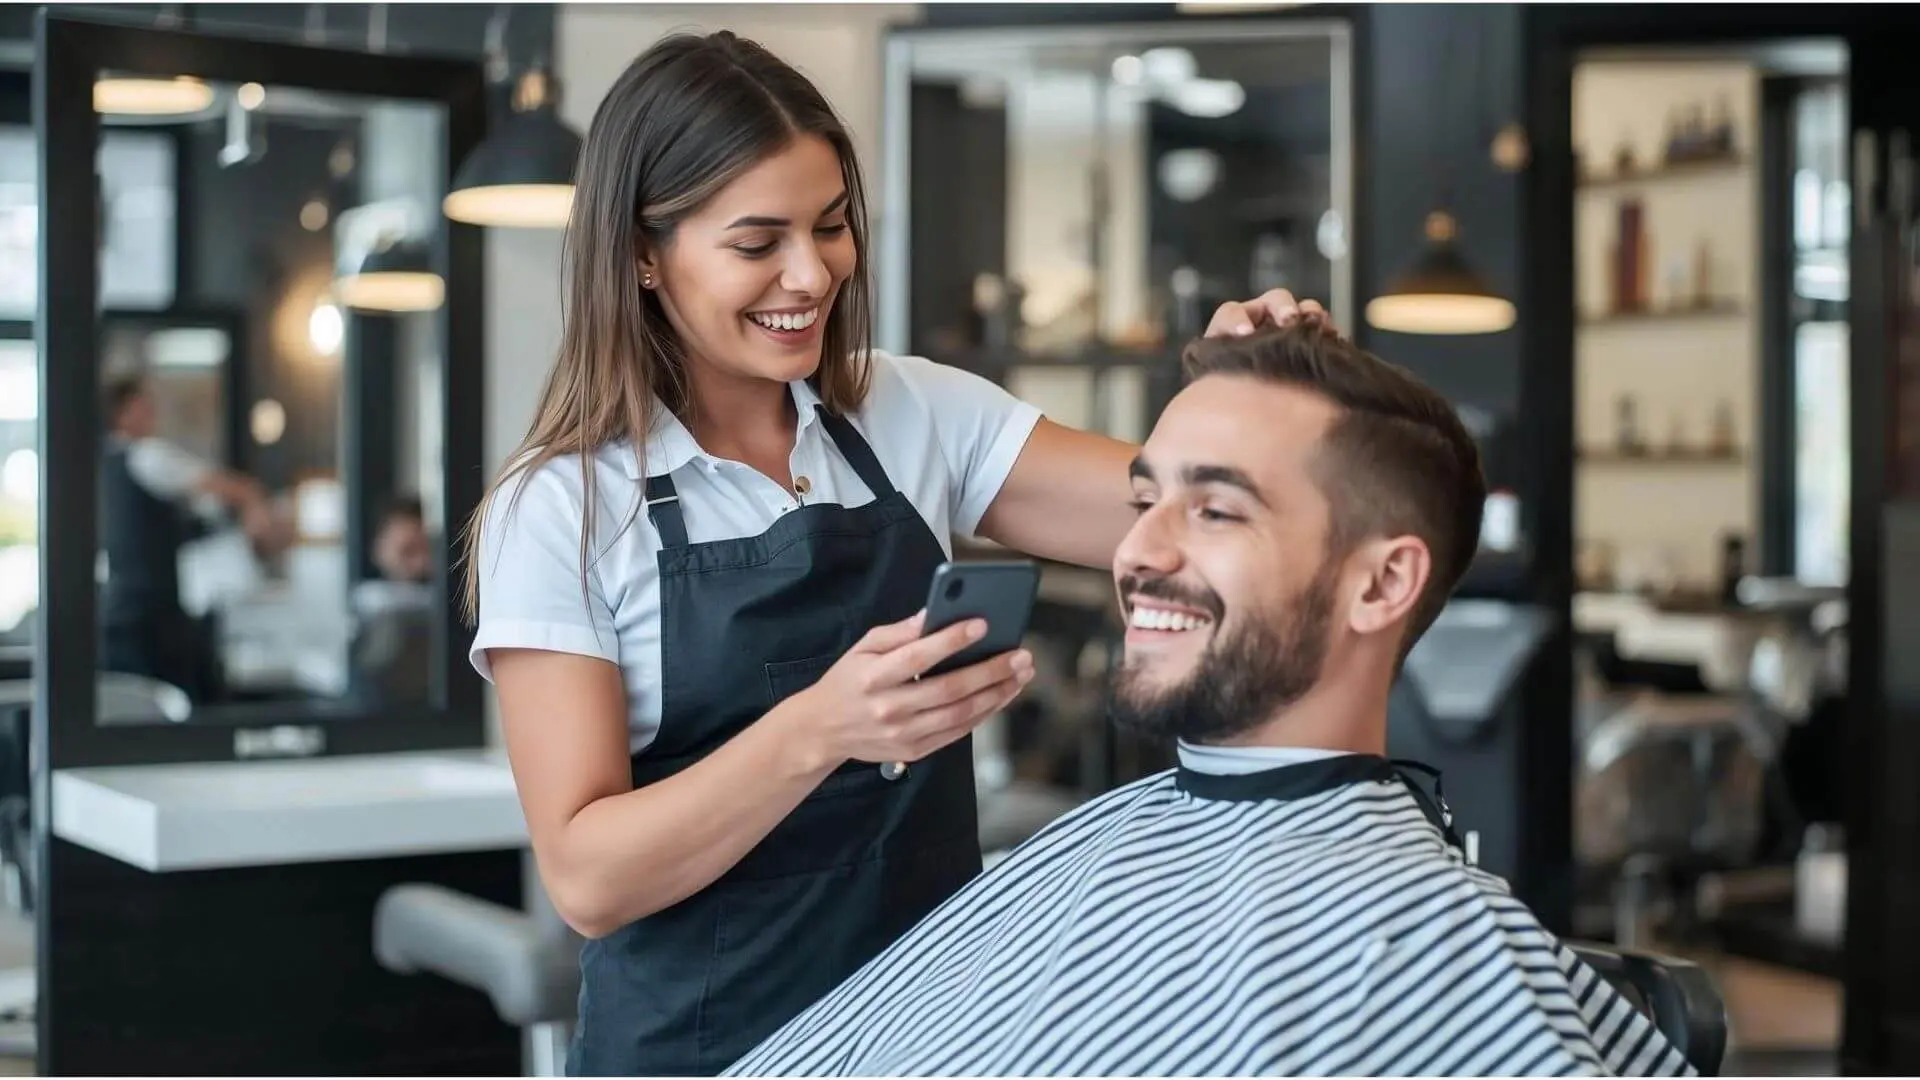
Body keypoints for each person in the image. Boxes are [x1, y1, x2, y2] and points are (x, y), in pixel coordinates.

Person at [463, 29, 1330, 1079]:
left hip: (924, 1040)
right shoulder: (562, 509)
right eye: (757, 241)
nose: (810, 272)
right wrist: (822, 730)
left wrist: (1244, 399)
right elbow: (589, 876)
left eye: (831, 227)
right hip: (699, 1055)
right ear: (644, 254)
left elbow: (1174, 523)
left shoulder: (907, 412)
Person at [725, 325, 1696, 1079]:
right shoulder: (1104, 840)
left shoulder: (1422, 941)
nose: (1139, 549)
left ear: (1381, 584)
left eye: (1219, 510)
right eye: (1146, 500)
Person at [98, 371, 284, 697]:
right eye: (144, 404)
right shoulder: (147, 455)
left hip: (123, 615)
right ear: (122, 412)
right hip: (152, 620)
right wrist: (256, 502)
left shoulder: (103, 464)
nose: (152, 411)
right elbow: (229, 487)